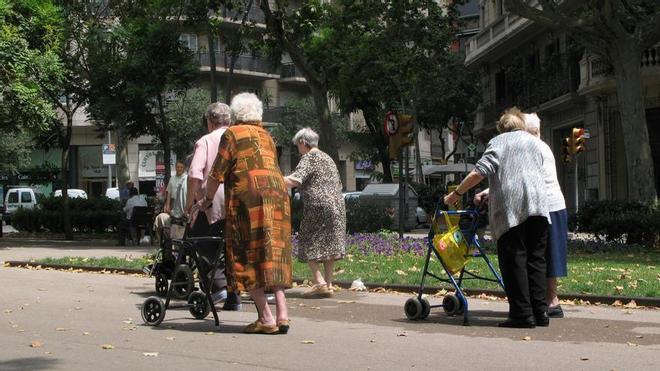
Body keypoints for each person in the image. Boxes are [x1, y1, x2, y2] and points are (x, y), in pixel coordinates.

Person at [444, 107, 550, 328]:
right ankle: (540, 312)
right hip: (540, 206)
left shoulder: (499, 142)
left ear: (502, 127)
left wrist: (456, 193)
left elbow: (480, 172)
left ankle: (522, 314)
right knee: (536, 259)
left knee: (515, 260)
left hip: (512, 208)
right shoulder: (535, 144)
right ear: (521, 124)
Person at [202, 92, 292, 335]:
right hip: (278, 197)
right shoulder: (267, 136)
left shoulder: (232, 134)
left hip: (249, 200)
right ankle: (283, 315)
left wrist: (207, 200)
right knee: (273, 255)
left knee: (247, 255)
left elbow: (216, 173)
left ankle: (266, 318)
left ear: (235, 114)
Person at [185, 102, 241, 311]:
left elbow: (195, 175)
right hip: (237, 202)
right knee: (231, 247)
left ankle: (218, 285)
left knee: (200, 241)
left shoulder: (205, 141)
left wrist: (190, 203)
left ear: (209, 122)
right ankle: (233, 296)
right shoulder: (239, 139)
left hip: (212, 203)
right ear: (229, 121)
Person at [283, 127, 346, 298]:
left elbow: (295, 180)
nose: (298, 149)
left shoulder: (309, 157)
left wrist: (273, 178)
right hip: (338, 205)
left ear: (303, 143)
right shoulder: (328, 158)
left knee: (306, 238)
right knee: (329, 243)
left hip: (318, 205)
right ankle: (329, 284)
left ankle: (319, 282)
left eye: (298, 146)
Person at [524, 113, 568, 318]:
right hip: (554, 204)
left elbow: (523, 177)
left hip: (545, 206)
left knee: (542, 254)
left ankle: (550, 301)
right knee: (550, 254)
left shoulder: (532, 148)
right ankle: (550, 300)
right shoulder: (544, 146)